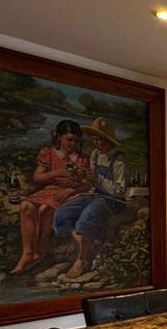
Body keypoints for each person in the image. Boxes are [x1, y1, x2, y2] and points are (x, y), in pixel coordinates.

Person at [53, 117, 129, 279]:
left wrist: (98, 179)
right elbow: (91, 182)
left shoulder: (119, 160)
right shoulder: (95, 154)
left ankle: (81, 260)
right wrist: (85, 175)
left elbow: (120, 191)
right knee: (62, 213)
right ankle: (88, 245)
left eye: (100, 140)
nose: (96, 143)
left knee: (88, 215)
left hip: (113, 200)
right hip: (95, 194)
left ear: (108, 140)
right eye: (94, 139)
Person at [10, 120, 89, 274]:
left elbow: (87, 185)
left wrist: (70, 190)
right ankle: (27, 252)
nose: (72, 144)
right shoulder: (48, 153)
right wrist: (57, 172)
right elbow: (37, 177)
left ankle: (41, 251)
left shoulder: (82, 159)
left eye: (76, 141)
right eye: (69, 140)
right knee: (26, 206)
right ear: (58, 137)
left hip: (71, 192)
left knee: (45, 209)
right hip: (50, 190)